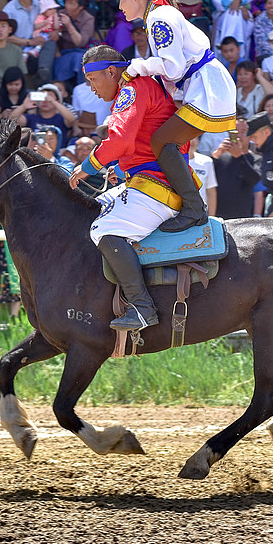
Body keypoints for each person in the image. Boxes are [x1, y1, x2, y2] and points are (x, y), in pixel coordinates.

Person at [111, 0, 236, 231]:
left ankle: (193, 208)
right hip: (203, 86)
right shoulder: (158, 15)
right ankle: (187, 204)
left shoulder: (159, 17)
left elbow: (174, 67)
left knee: (162, 140)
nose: (119, 5)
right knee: (166, 139)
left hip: (206, 89)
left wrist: (138, 67)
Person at [69, 44, 181, 332]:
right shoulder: (141, 87)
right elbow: (144, 143)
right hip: (153, 177)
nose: (91, 88)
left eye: (92, 80)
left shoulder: (132, 89)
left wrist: (88, 167)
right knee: (98, 207)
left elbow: (120, 142)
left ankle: (143, 307)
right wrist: (120, 169)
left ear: (110, 71)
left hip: (157, 187)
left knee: (102, 230)